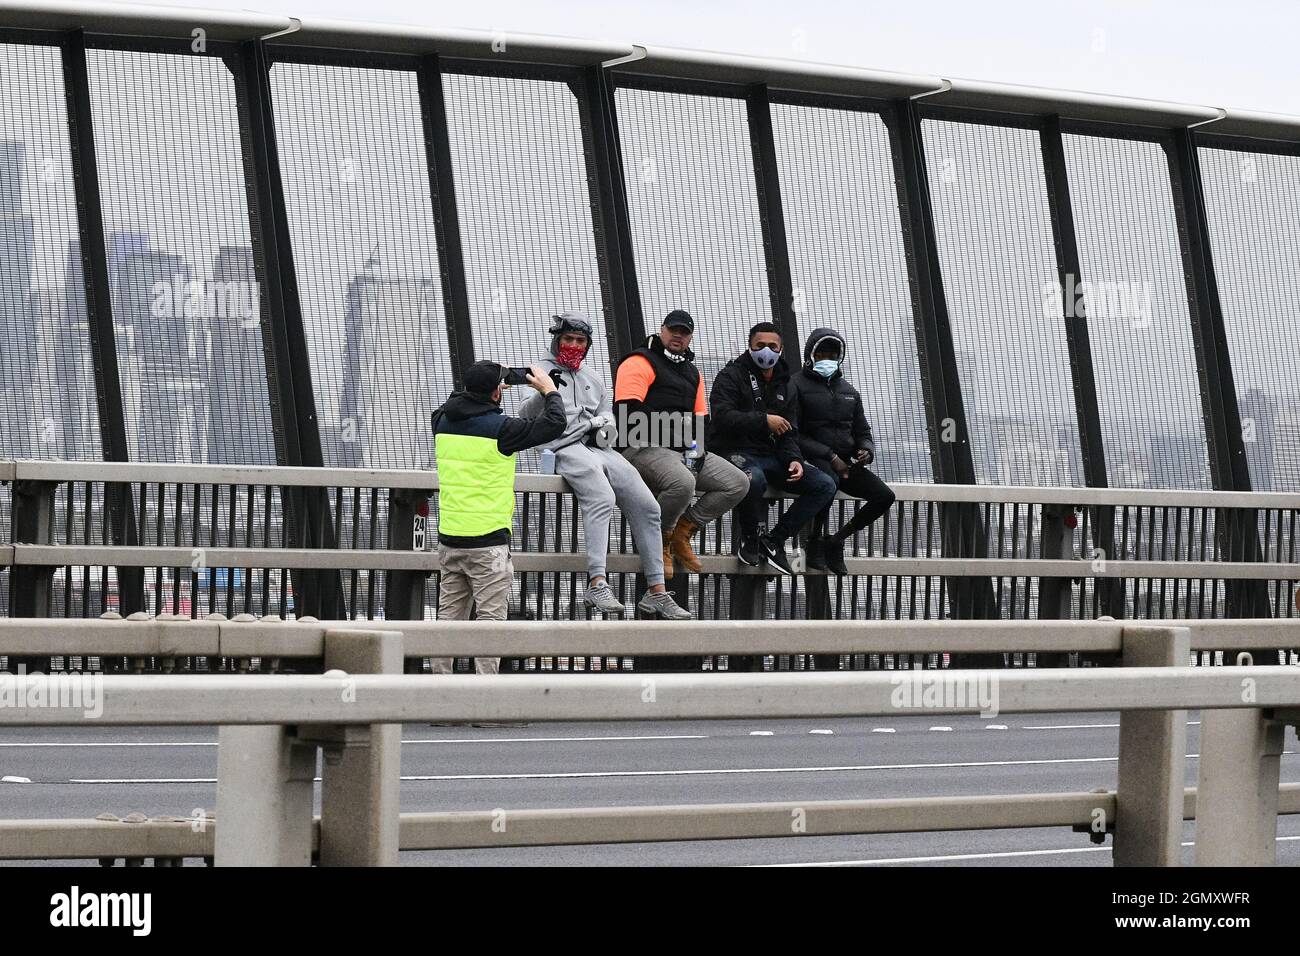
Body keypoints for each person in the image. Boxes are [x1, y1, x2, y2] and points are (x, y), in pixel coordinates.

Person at [520, 312, 691, 619]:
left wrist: (604, 423)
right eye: (568, 339)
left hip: (598, 446)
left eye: (580, 341)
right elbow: (525, 415)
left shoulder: (593, 377)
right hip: (564, 447)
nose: (574, 345)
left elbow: (608, 413)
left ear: (587, 345)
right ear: (557, 340)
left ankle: (657, 591)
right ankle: (597, 581)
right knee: (602, 497)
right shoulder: (540, 370)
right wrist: (544, 391)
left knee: (649, 506)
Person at [430, 359, 566, 673]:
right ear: (495, 393)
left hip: (450, 539)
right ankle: (487, 701)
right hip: (488, 542)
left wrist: (485, 388)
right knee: (490, 622)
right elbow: (554, 424)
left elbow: (454, 403)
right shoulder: (502, 429)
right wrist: (548, 390)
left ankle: (438, 696)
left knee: (448, 621)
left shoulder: (441, 422)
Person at [614, 309, 748, 577]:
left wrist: (697, 451)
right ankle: (659, 540)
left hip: (681, 448)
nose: (678, 335)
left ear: (690, 338)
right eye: (673, 329)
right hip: (642, 446)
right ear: (662, 330)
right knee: (683, 482)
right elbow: (627, 414)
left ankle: (682, 532)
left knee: (738, 483)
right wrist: (677, 435)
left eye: (684, 332)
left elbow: (701, 420)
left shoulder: (692, 372)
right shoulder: (639, 362)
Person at [708, 322, 838, 575]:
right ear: (750, 346)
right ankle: (751, 538)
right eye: (760, 345)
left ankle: (774, 540)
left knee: (824, 484)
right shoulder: (731, 376)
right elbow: (722, 417)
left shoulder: (786, 384)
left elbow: (789, 431)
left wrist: (794, 459)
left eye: (772, 346)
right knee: (752, 479)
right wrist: (763, 419)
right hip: (734, 451)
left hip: (771, 456)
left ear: (780, 349)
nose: (765, 351)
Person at [789, 327, 896, 575]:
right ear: (811, 355)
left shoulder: (850, 392)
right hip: (813, 458)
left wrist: (866, 451)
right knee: (828, 481)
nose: (827, 359)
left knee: (884, 496)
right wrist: (830, 455)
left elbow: (863, 432)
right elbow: (793, 432)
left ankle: (836, 540)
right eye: (821, 353)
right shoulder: (795, 385)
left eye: (832, 354)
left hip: (846, 462)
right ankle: (814, 542)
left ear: (840, 357)